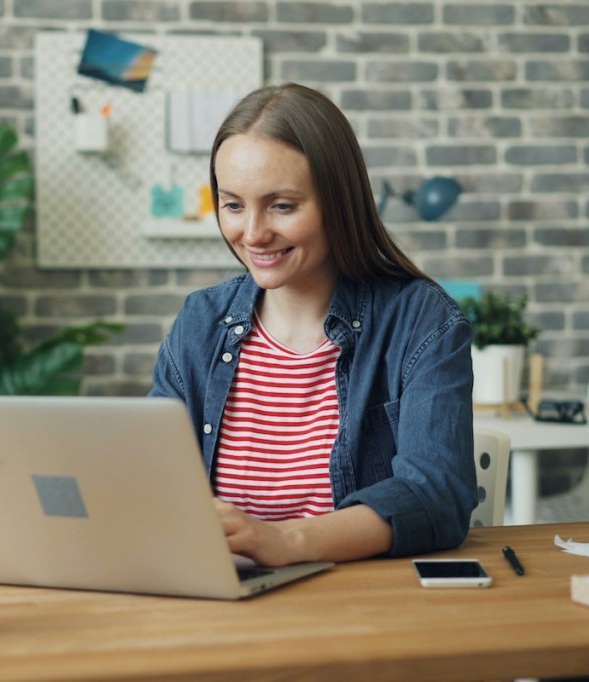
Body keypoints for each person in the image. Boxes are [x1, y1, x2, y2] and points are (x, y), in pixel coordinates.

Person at [150, 82, 476, 568]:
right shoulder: (201, 322)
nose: (253, 233)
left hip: (359, 605)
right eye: (234, 205)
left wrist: (286, 542)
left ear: (337, 201)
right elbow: (152, 481)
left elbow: (436, 495)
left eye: (282, 206)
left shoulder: (421, 321)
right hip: (222, 602)